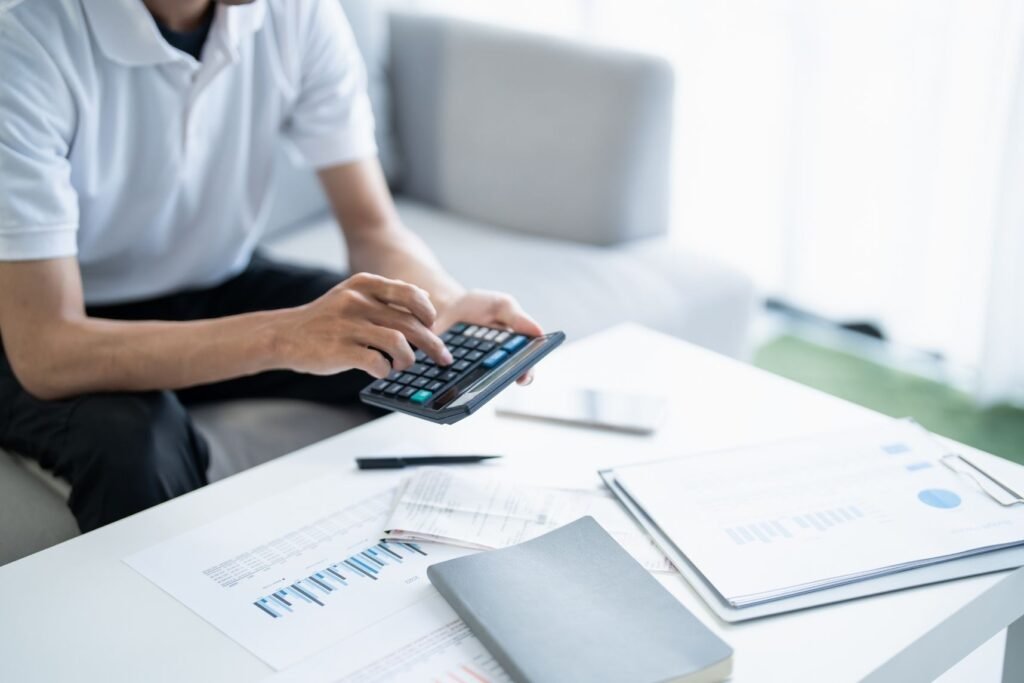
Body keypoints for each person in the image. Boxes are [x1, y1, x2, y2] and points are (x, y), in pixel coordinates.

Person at [0, 0, 542, 532]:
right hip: (43, 319)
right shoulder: (25, 44)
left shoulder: (295, 13)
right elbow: (48, 351)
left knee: (408, 350)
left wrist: (443, 306)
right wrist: (283, 337)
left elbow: (373, 229)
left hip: (216, 279)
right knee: (132, 442)